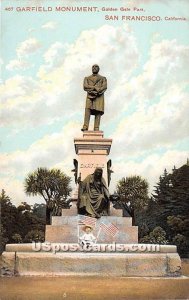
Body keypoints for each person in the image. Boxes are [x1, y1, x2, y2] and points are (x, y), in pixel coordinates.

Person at [81, 64, 107, 131]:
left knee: (98, 111)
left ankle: (96, 127)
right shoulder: (87, 78)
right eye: (93, 67)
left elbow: (104, 87)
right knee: (87, 110)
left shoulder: (103, 78)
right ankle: (85, 126)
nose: (94, 68)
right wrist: (94, 88)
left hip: (99, 96)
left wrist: (98, 92)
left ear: (98, 69)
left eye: (96, 67)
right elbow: (85, 86)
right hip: (89, 96)